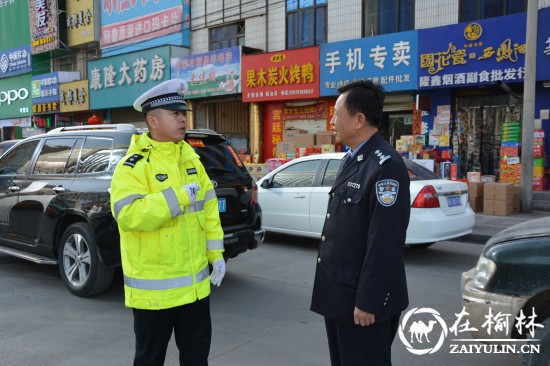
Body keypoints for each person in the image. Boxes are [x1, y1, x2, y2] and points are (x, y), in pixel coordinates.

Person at [110, 79, 225, 366]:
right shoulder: (134, 166)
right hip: (154, 294)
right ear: (153, 121)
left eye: (183, 112)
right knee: (150, 359)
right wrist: (175, 198)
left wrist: (217, 255)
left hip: (196, 289)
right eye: (175, 113)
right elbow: (128, 215)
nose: (183, 118)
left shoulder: (190, 159)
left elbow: (209, 210)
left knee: (197, 358)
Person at [310, 80, 411, 366]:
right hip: (340, 297)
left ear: (358, 120)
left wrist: (369, 301)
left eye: (336, 113)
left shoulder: (385, 166)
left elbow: (385, 242)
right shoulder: (353, 158)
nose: (331, 120)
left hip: (362, 304)